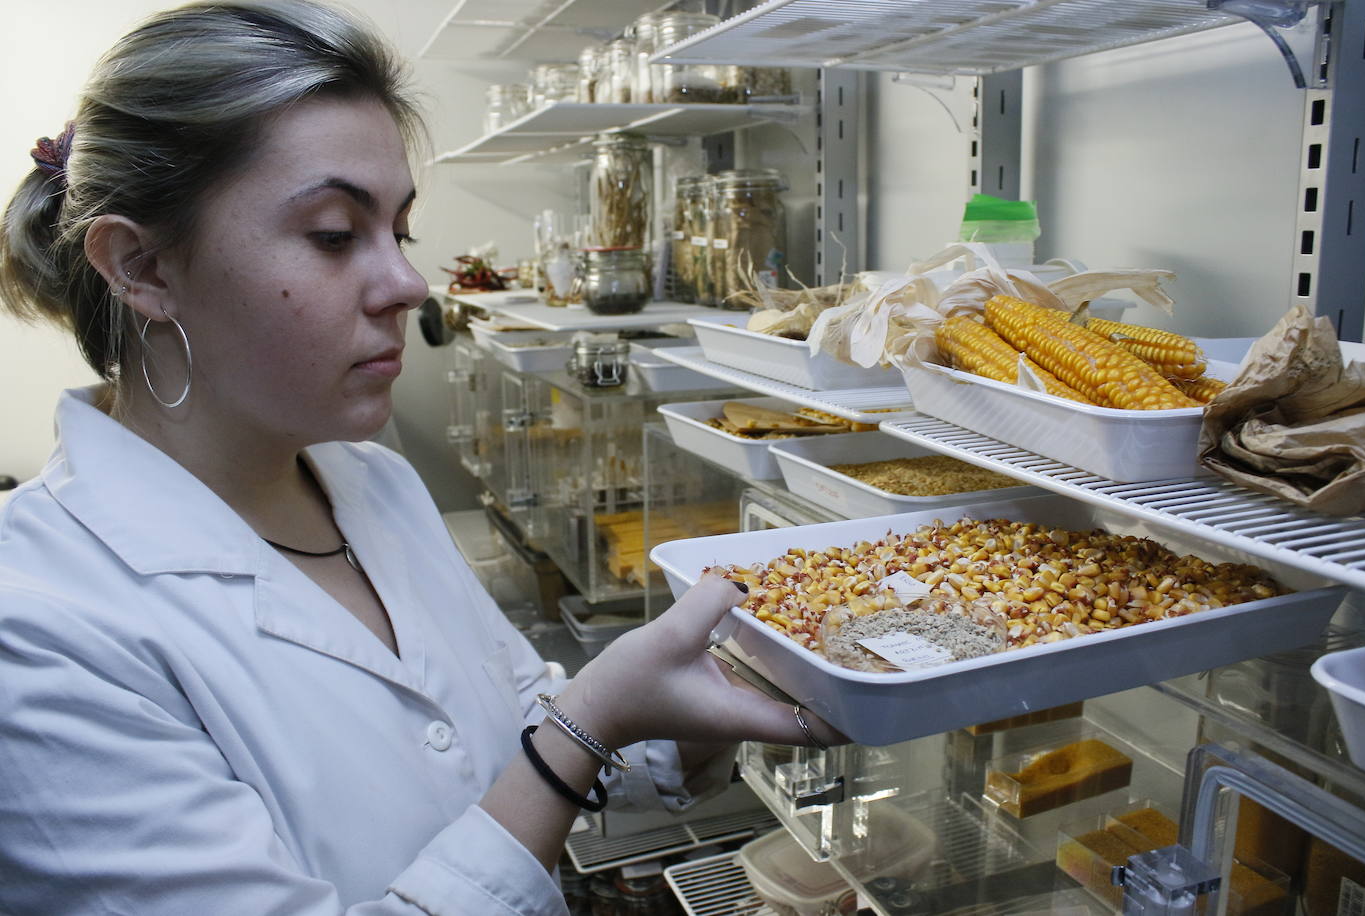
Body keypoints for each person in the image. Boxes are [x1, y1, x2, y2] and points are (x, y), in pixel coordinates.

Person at [0, 2, 843, 913]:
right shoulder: (40, 630)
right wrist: (586, 726)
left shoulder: (371, 482)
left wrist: (679, 714)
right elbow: (556, 749)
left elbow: (512, 737)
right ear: (143, 268)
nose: (408, 283)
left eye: (397, 230)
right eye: (333, 233)